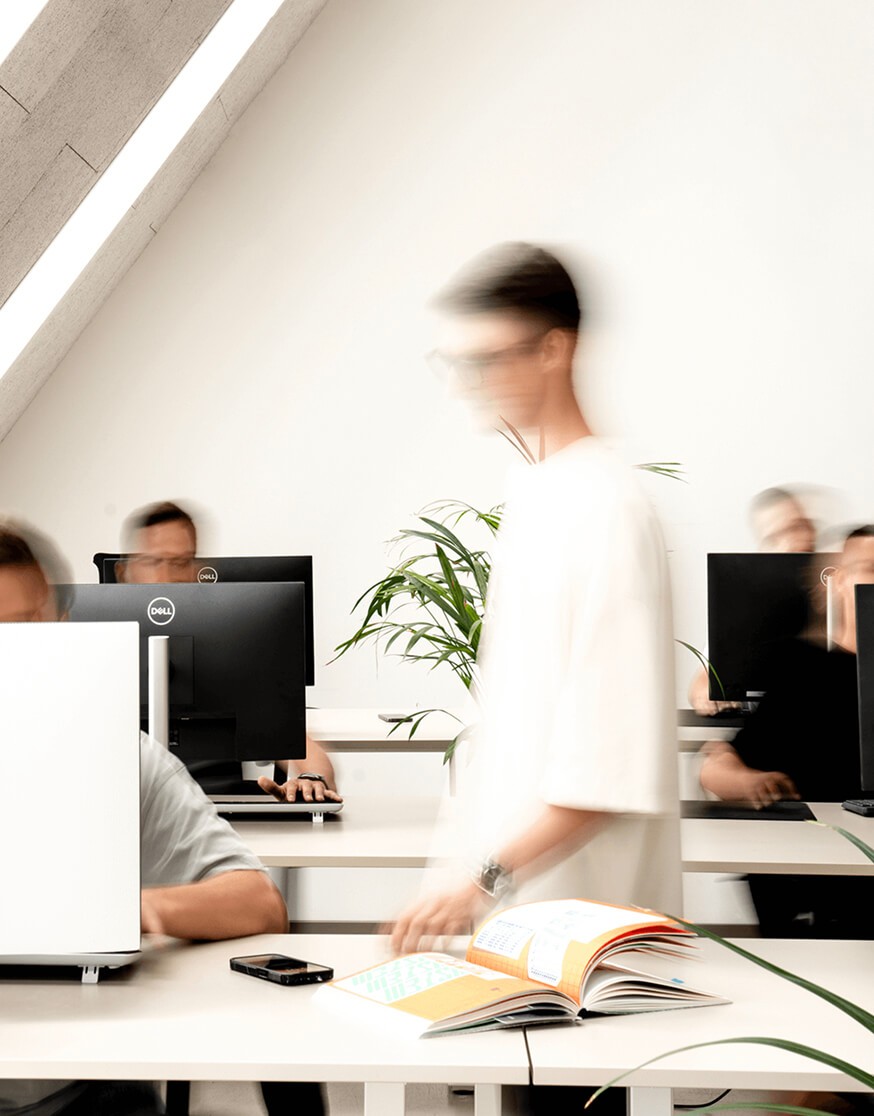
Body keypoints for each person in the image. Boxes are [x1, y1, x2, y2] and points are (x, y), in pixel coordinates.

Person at [392, 243, 680, 1114]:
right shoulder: (538, 489)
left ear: (554, 348)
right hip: (517, 930)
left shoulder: (609, 507)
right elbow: (514, 733)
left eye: (490, 359)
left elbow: (606, 772)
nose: (473, 385)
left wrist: (477, 880)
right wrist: (456, 883)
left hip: (578, 944)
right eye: (461, 364)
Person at [0, 522, 329, 1115]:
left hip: (76, 1089)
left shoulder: (121, 754)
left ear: (61, 627)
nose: (17, 653)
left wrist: (131, 908)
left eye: (29, 627)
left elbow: (259, 903)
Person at [699, 525, 874, 939]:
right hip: (813, 873)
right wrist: (744, 779)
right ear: (839, 582)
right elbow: (717, 768)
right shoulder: (801, 668)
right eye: (868, 569)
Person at [118, 500, 341, 806]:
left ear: (196, 571)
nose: (167, 575)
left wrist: (312, 779)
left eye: (181, 562)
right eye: (153, 561)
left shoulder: (235, 654)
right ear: (124, 571)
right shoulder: (97, 663)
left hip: (223, 815)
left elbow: (309, 755)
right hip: (130, 816)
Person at [688, 484, 818, 715]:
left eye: (797, 527)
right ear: (764, 546)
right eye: (777, 536)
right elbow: (702, 684)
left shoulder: (842, 584)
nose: (791, 541)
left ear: (811, 529)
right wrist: (710, 695)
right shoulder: (745, 603)